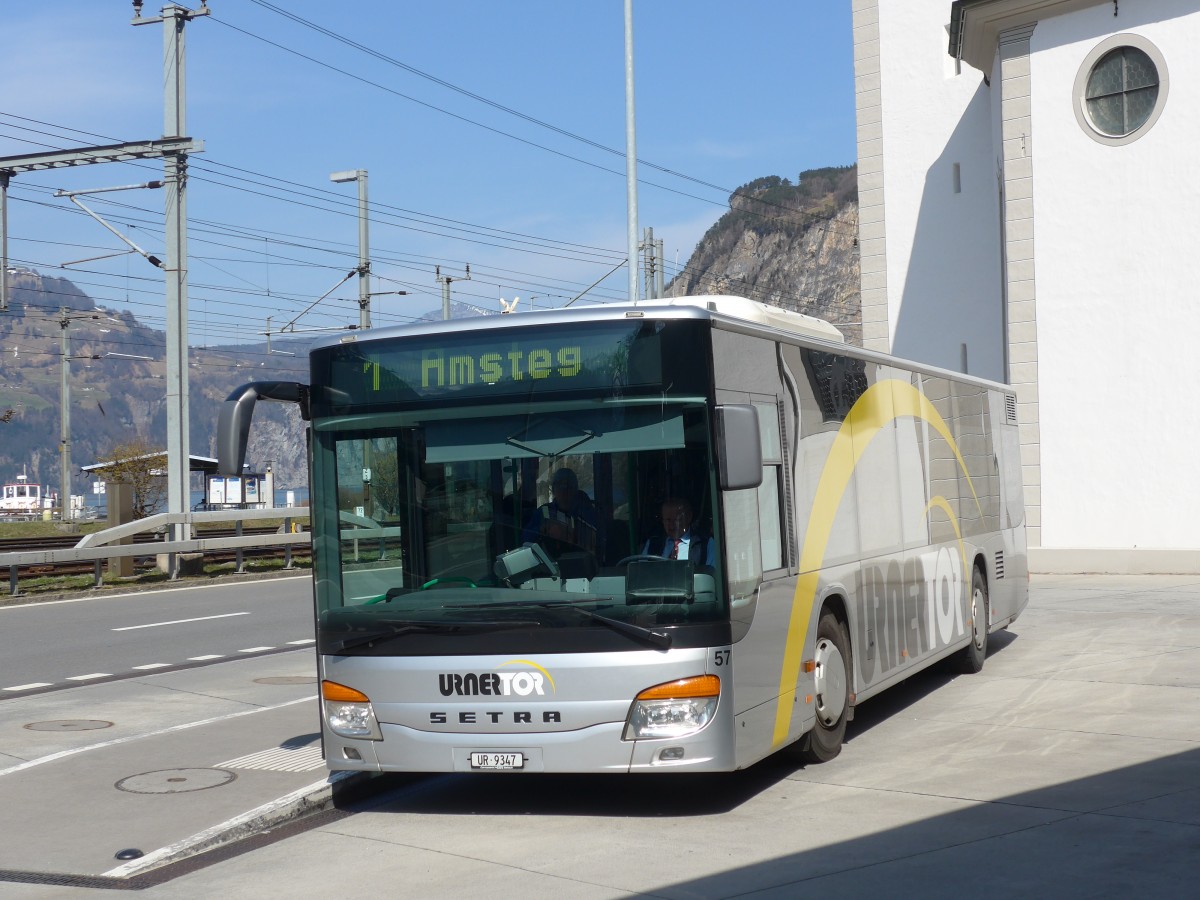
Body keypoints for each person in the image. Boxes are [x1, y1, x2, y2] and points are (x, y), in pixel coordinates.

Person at [522, 467, 599, 557]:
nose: (564, 491)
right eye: (560, 486)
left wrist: (572, 532)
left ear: (575, 489)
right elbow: (525, 539)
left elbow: (597, 538)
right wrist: (542, 530)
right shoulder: (544, 511)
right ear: (553, 489)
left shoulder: (586, 512)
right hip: (551, 565)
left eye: (568, 486)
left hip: (581, 563)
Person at [641, 497, 714, 565]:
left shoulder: (705, 544)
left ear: (689, 517)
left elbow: (711, 574)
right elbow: (641, 573)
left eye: (677, 520)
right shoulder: (652, 544)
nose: (672, 526)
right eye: (668, 520)